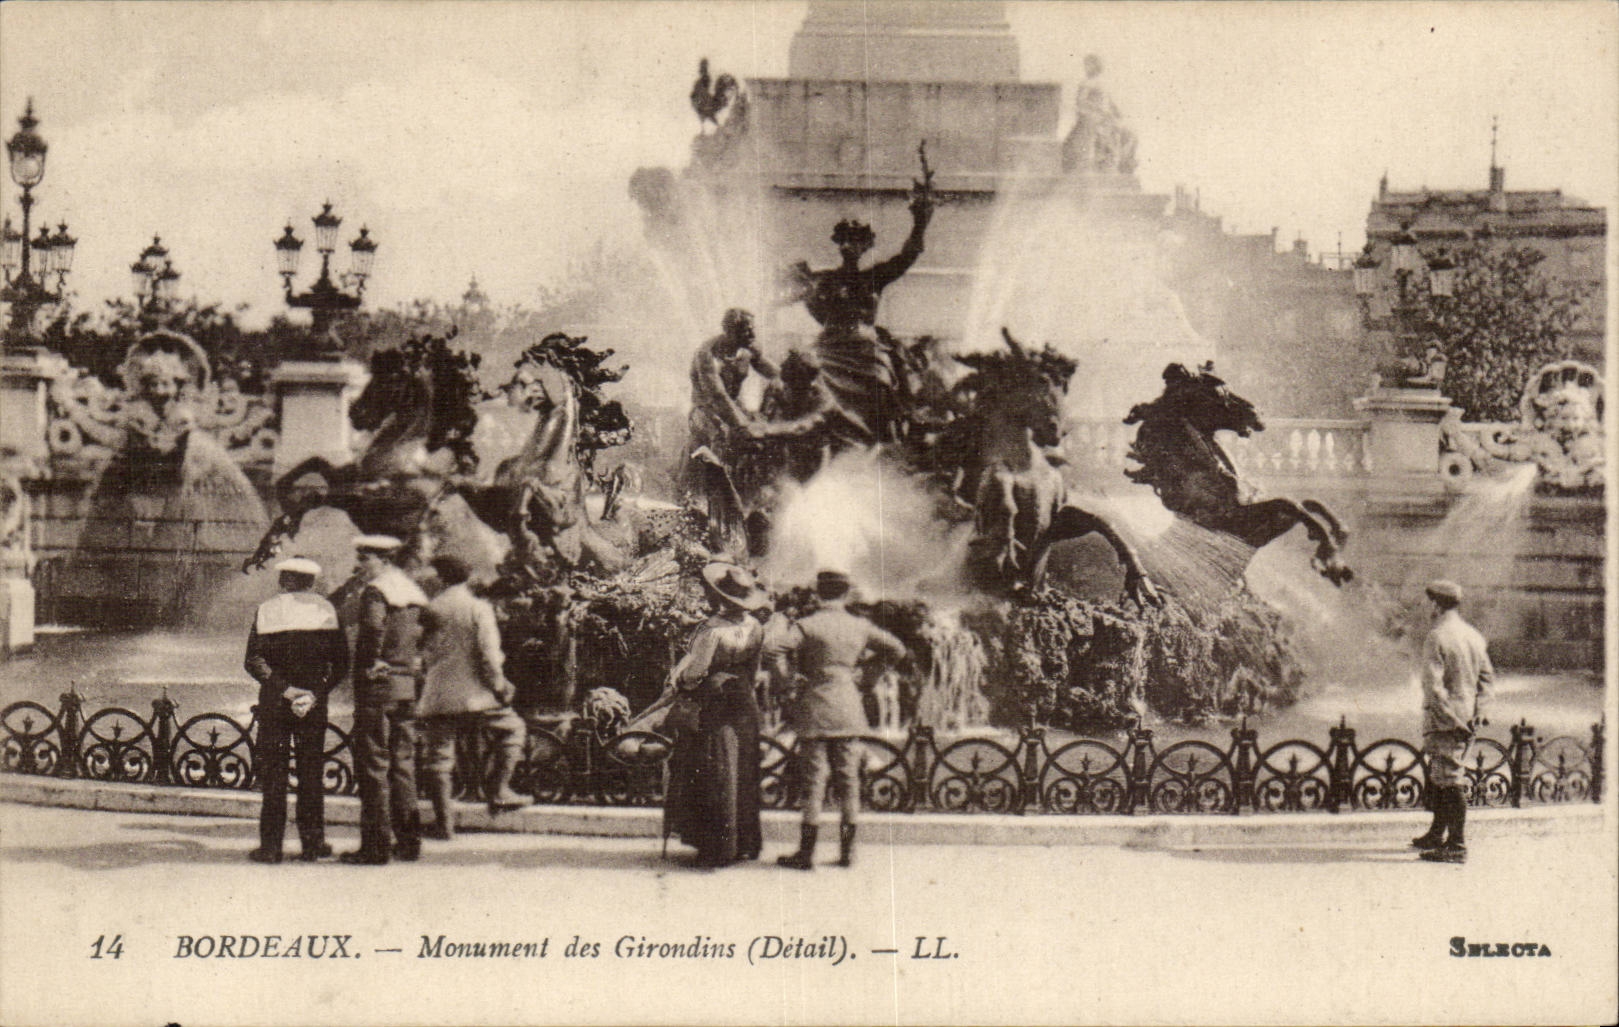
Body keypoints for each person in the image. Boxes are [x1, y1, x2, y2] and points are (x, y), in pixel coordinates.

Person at [780, 168, 934, 445]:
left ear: (866, 247)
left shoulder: (873, 278)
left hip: (867, 348)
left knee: (888, 379)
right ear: (839, 245)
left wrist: (920, 223)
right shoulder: (823, 279)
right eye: (847, 241)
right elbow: (796, 298)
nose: (852, 246)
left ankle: (904, 421)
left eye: (859, 242)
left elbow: (907, 256)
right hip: (832, 347)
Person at [769, 570, 909, 870]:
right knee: (849, 781)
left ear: (818, 592)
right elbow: (897, 649)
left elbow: (774, 650)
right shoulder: (860, 625)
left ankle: (806, 853)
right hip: (848, 705)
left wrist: (788, 682)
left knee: (813, 781)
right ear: (846, 594)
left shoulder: (807, 625)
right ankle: (847, 853)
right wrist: (867, 675)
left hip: (815, 706)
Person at [661, 562, 771, 868]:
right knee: (743, 768)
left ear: (720, 597)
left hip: (715, 703)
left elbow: (696, 671)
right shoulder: (755, 627)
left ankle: (716, 846)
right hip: (743, 703)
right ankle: (745, 843)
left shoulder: (711, 630)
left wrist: (681, 682)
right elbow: (754, 669)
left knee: (713, 769)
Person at [416, 554, 531, 842]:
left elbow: (421, 652)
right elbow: (488, 655)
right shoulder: (478, 608)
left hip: (438, 696)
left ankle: (444, 825)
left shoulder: (430, 609)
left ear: (441, 578)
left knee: (439, 759)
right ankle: (499, 789)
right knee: (513, 730)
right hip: (475, 697)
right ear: (467, 578)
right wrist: (499, 686)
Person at [243, 557, 349, 864]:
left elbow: (253, 660)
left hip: (276, 702)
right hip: (313, 704)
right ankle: (313, 844)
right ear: (312, 582)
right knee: (311, 772)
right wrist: (316, 693)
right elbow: (342, 662)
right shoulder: (327, 612)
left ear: (284, 580)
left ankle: (271, 847)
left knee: (274, 774)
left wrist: (285, 690)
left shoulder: (267, 610)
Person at [342, 535, 428, 866]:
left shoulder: (377, 590)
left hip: (378, 687)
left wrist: (370, 662)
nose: (360, 565)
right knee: (403, 763)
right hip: (406, 685)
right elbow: (427, 630)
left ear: (384, 560)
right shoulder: (411, 590)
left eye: (365, 559)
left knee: (373, 764)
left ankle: (375, 846)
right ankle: (408, 842)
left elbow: (372, 628)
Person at [1413, 579, 1494, 865]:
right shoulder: (1474, 635)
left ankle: (1457, 845)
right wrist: (1480, 711)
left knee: (1449, 778)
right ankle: (1436, 833)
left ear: (1436, 604)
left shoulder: (1437, 636)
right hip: (1467, 715)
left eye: (1429, 602)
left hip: (1446, 719)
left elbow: (1433, 687)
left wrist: (1450, 720)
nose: (1426, 607)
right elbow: (1487, 679)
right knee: (1441, 773)